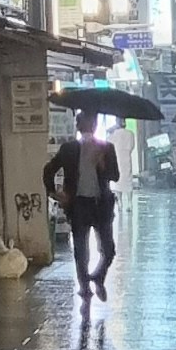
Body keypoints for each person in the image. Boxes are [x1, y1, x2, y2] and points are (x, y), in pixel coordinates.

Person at [44, 106, 120, 299]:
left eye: (90, 123)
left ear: (95, 125)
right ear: (78, 126)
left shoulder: (106, 148)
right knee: (80, 248)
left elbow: (115, 175)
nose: (87, 126)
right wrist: (54, 192)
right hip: (78, 204)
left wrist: (102, 163)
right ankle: (84, 285)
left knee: (109, 249)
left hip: (100, 204)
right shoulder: (69, 149)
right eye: (83, 123)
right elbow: (49, 169)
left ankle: (98, 276)